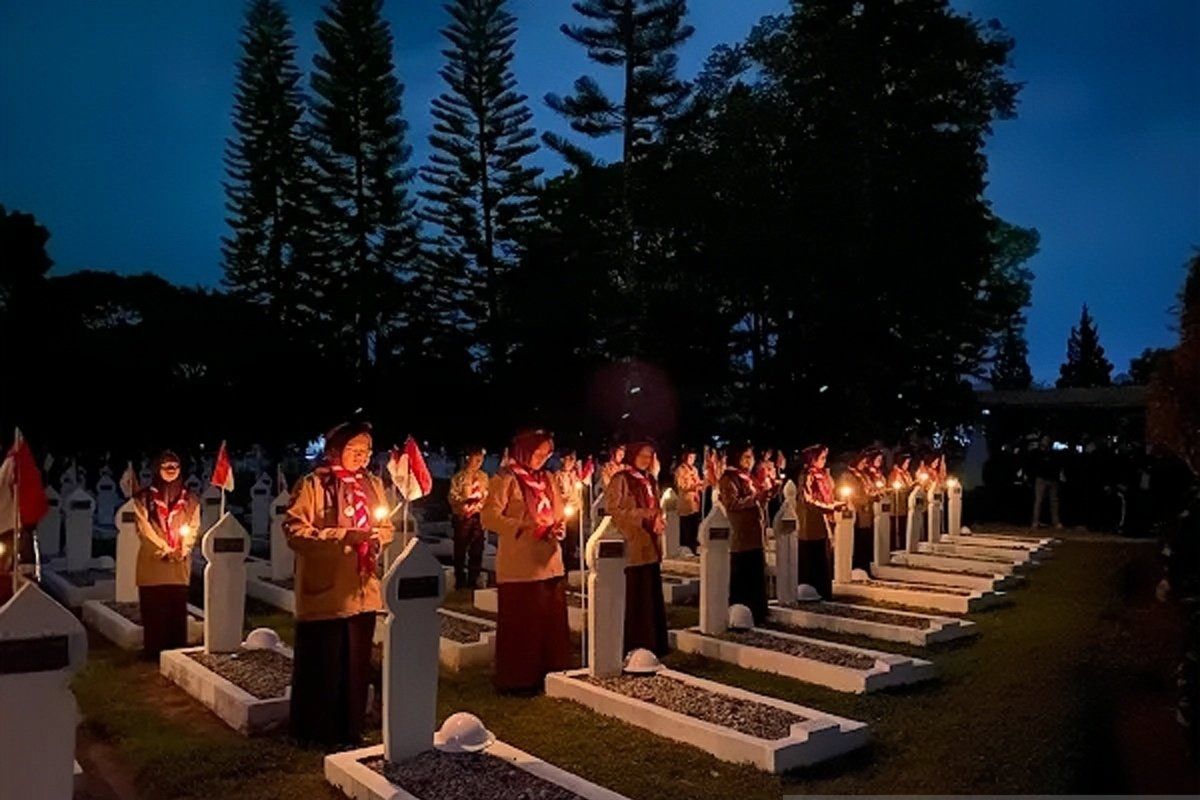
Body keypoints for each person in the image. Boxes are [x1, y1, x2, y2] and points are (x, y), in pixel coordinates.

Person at [284, 421, 394, 747]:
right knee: (324, 662)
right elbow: (295, 531)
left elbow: (385, 525)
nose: (362, 457)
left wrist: (378, 539)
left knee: (356, 663)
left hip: (362, 587)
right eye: (354, 450)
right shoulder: (313, 485)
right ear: (336, 450)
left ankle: (351, 727)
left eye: (366, 451)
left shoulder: (372, 484)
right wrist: (342, 535)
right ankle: (316, 731)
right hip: (327, 591)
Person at [481, 429, 570, 693]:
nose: (542, 458)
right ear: (523, 451)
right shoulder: (505, 479)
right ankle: (520, 678)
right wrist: (522, 526)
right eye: (537, 452)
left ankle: (552, 670)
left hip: (550, 561)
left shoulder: (549, 479)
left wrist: (560, 526)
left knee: (549, 621)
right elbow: (490, 517)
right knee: (524, 623)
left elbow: (557, 511)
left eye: (547, 453)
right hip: (521, 564)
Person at [132, 450, 199, 656]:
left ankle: (176, 650)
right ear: (157, 469)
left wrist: (182, 549)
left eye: (175, 466)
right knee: (154, 609)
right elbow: (143, 528)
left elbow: (193, 526)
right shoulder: (143, 498)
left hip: (178, 565)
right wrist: (164, 549)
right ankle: (153, 651)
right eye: (166, 466)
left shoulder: (190, 499)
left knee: (176, 609)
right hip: (154, 563)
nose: (171, 470)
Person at [606, 440, 670, 655]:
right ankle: (636, 642)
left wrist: (659, 518)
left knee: (650, 594)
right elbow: (614, 510)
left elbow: (656, 506)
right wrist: (643, 515)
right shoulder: (621, 479)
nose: (646, 459)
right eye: (642, 455)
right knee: (636, 596)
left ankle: (655, 642)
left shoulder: (650, 480)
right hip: (633, 543)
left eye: (650, 456)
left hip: (651, 543)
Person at [719, 444, 777, 623]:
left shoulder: (748, 477)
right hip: (741, 532)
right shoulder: (729, 478)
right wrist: (755, 499)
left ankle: (758, 610)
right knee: (743, 572)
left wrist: (767, 495)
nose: (749, 461)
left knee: (756, 570)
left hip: (755, 531)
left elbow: (756, 499)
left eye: (751, 457)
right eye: (745, 457)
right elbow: (732, 503)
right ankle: (741, 610)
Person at [799, 445, 840, 599]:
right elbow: (808, 500)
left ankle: (824, 590)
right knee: (814, 557)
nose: (824, 461)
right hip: (812, 523)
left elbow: (828, 494)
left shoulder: (823, 475)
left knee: (824, 555)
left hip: (825, 520)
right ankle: (814, 590)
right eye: (821, 457)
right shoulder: (807, 475)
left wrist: (833, 504)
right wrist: (828, 507)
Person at [448, 446, 489, 590]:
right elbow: (452, 497)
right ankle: (460, 579)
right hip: (462, 517)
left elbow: (488, 496)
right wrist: (464, 502)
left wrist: (482, 503)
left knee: (477, 549)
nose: (479, 462)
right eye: (476, 458)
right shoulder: (459, 477)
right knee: (460, 549)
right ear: (468, 459)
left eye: (481, 459)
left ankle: (474, 579)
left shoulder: (484, 477)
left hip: (478, 517)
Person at [842, 451, 879, 570]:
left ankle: (866, 565)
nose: (864, 464)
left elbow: (870, 488)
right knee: (859, 540)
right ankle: (858, 566)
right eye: (862, 462)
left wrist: (875, 493)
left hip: (866, 512)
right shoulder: (848, 476)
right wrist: (867, 497)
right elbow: (851, 494)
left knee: (866, 540)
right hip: (857, 513)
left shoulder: (863, 475)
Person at [553, 450, 585, 569]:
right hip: (564, 512)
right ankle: (562, 570)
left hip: (574, 511)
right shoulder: (557, 476)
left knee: (572, 541)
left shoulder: (575, 475)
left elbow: (578, 492)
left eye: (573, 460)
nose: (571, 463)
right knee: (563, 543)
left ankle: (570, 566)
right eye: (569, 459)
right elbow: (556, 494)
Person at [673, 447, 703, 555]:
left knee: (695, 524)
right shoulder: (680, 470)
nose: (692, 459)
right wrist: (695, 485)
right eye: (690, 457)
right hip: (686, 502)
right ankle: (686, 547)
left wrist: (701, 484)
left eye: (693, 457)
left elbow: (698, 481)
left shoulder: (694, 469)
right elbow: (682, 486)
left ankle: (694, 545)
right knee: (686, 525)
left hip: (695, 501)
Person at [1028, 437, 1063, 529]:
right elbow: (1033, 466)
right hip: (1041, 479)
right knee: (1039, 501)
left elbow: (1057, 466)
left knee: (1054, 502)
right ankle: (1035, 521)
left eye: (1048, 440)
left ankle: (1056, 522)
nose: (1046, 441)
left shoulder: (1054, 454)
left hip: (1053, 479)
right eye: (1045, 439)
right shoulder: (1036, 453)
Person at [887, 452, 915, 549]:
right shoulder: (895, 474)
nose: (907, 465)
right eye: (906, 463)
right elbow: (896, 487)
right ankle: (896, 545)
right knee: (897, 526)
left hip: (905, 504)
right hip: (897, 506)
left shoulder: (906, 474)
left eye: (908, 463)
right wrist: (909, 488)